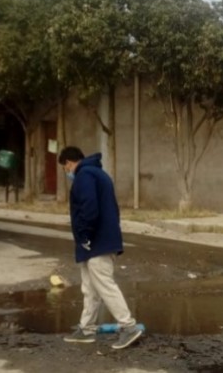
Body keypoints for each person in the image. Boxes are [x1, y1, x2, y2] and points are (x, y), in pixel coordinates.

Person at [58, 146, 144, 349]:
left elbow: (89, 208)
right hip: (101, 240)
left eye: (65, 168)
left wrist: (85, 235)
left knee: (103, 284)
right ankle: (86, 328)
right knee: (90, 287)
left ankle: (128, 326)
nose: (66, 172)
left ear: (69, 163)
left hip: (96, 242)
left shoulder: (84, 175)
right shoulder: (98, 174)